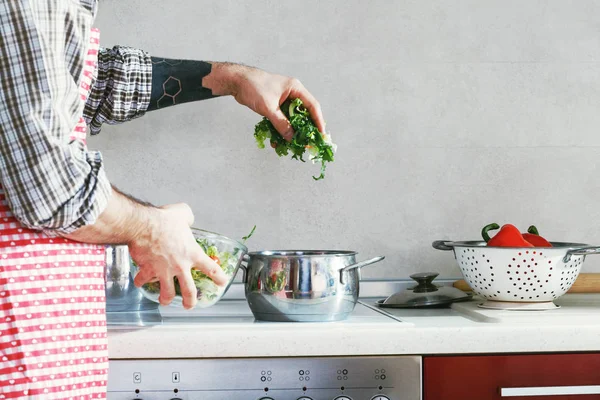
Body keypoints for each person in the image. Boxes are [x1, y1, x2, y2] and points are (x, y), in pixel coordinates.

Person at [0, 1, 327, 398]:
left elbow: (91, 83)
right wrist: (151, 228)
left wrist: (231, 79)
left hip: (43, 316)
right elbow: (48, 184)